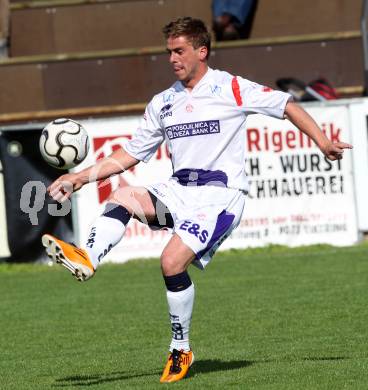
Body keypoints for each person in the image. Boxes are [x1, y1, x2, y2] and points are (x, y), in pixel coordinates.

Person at [42, 17, 352, 383]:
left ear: (202, 51)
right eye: (169, 52)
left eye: (179, 50)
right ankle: (88, 258)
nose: (172, 58)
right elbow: (128, 154)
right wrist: (78, 178)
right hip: (180, 190)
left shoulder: (231, 88)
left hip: (220, 196)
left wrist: (322, 141)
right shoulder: (164, 102)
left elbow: (287, 106)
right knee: (123, 194)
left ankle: (180, 349)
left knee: (172, 262)